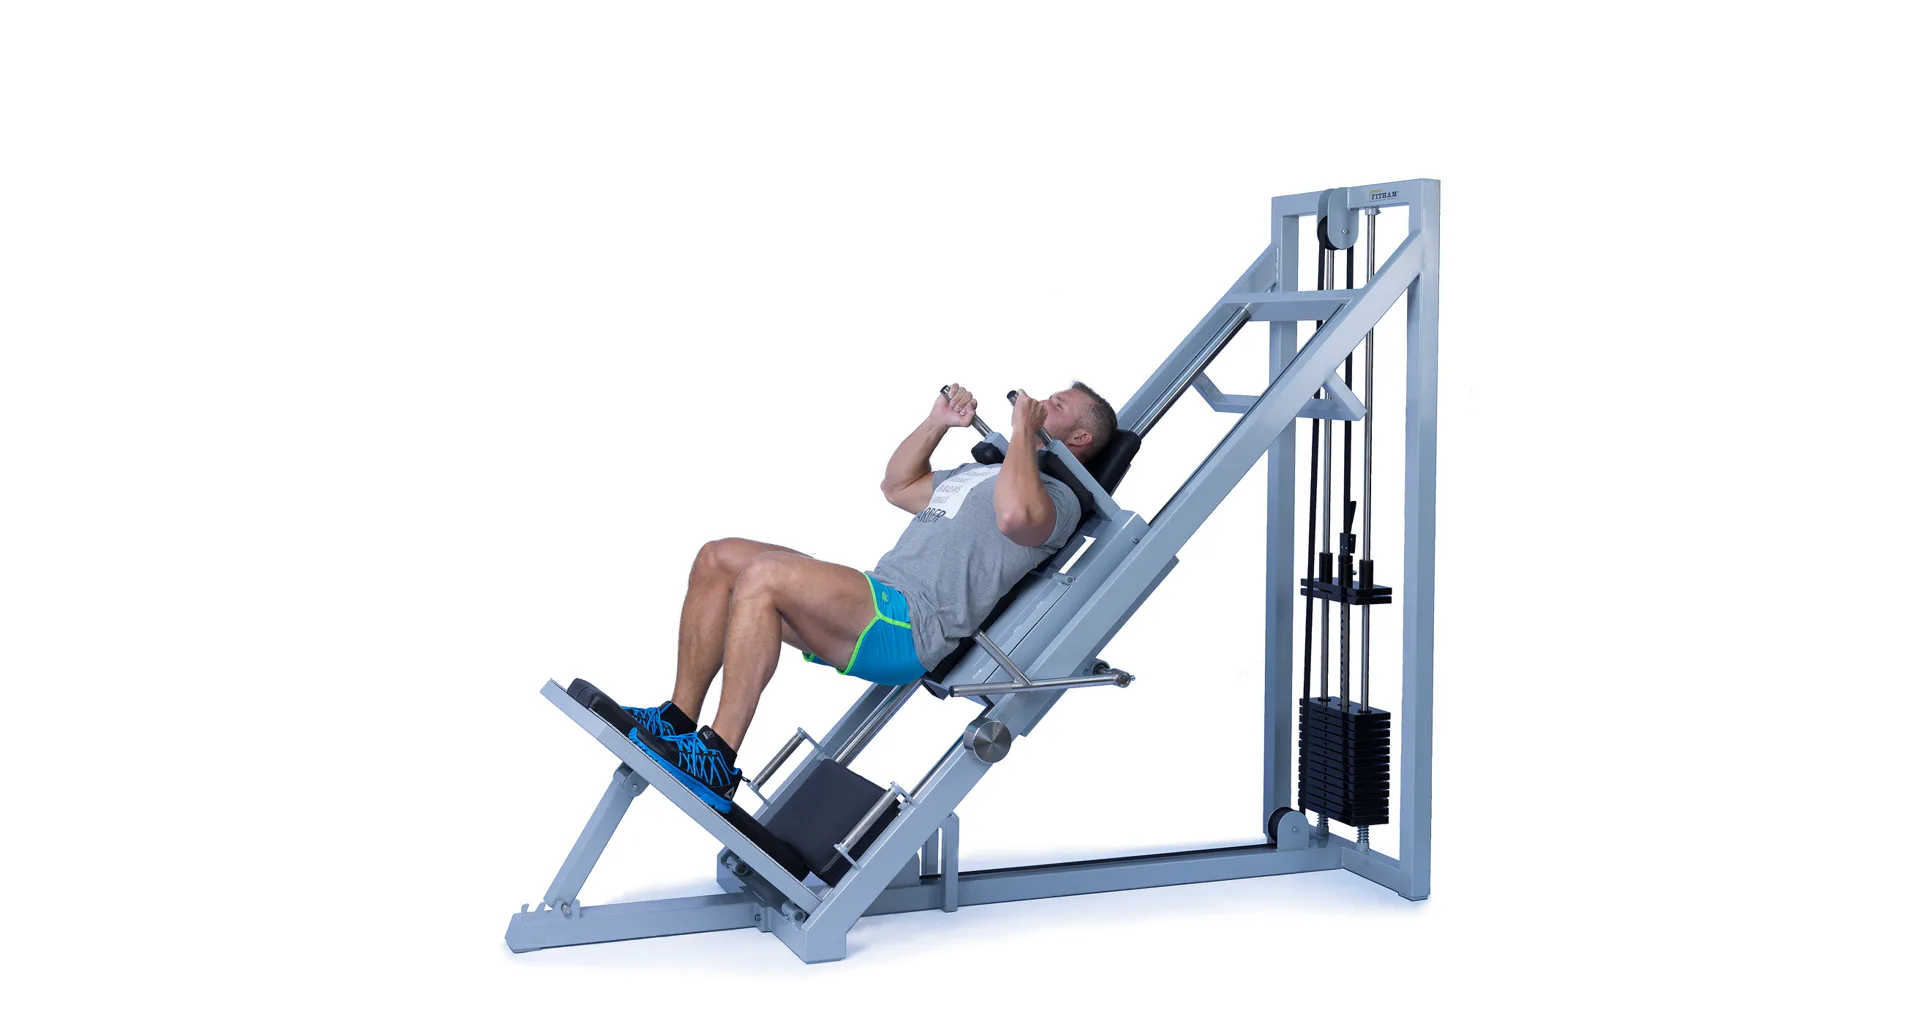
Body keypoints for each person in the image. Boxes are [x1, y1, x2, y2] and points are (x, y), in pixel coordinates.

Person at [613, 381, 1118, 812]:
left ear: (1079, 438)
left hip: (911, 624)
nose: (1039, 404)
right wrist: (937, 423)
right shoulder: (986, 473)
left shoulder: (1058, 501)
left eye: (1056, 405)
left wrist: (1023, 433)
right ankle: (678, 720)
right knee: (718, 558)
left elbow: (1015, 517)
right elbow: (898, 486)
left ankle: (717, 760)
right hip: (878, 594)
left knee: (765, 576)